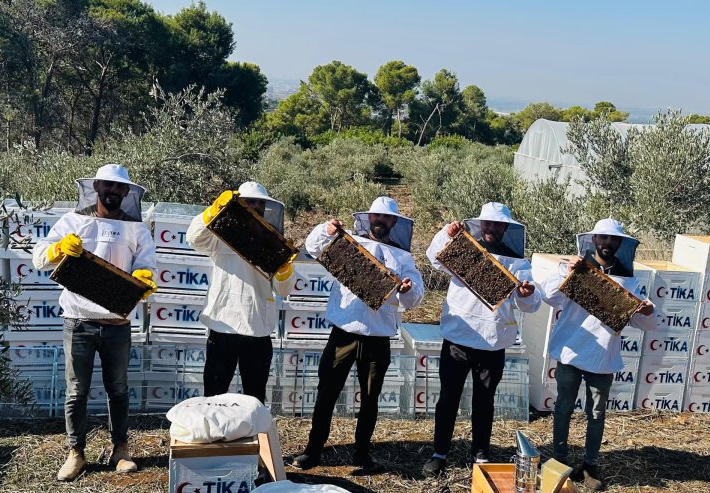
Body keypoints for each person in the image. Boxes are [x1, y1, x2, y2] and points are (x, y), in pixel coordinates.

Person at [33, 164, 158, 482]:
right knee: (77, 391)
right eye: (107, 185)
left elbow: (146, 262)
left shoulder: (137, 229)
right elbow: (39, 257)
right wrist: (59, 248)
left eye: (119, 187)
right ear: (96, 187)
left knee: (118, 389)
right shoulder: (73, 221)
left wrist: (143, 276)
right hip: (78, 321)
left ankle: (121, 450)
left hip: (117, 322)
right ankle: (76, 453)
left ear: (127, 193)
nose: (113, 191)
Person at [290, 196, 424, 472]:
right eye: (377, 217)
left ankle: (362, 454)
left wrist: (408, 290)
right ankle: (312, 451)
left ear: (395, 222)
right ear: (368, 218)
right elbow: (312, 246)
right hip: (344, 332)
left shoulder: (403, 257)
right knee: (327, 393)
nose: (381, 221)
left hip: (378, 337)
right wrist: (326, 229)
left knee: (370, 398)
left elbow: (415, 297)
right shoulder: (350, 239)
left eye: (386, 218)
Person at [535, 218, 659, 491]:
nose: (607, 243)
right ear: (593, 241)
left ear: (620, 244)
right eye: (603, 238)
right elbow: (547, 294)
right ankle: (559, 461)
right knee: (563, 409)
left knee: (596, 413)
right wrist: (569, 272)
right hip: (571, 350)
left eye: (613, 239)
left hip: (603, 357)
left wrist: (647, 310)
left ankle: (590, 465)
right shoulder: (575, 268)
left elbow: (647, 322)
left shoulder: (630, 280)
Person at [422, 203, 542, 476]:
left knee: (484, 400)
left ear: (505, 228)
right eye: (487, 224)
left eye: (497, 225)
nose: (491, 228)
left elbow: (532, 304)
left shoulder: (518, 263)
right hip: (457, 338)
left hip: (492, 343)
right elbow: (434, 256)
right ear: (480, 225)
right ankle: (439, 452)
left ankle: (480, 452)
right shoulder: (464, 251)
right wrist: (447, 234)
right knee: (448, 399)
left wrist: (526, 294)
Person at [186, 182, 295, 403]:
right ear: (239, 204)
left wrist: (284, 269)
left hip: (257, 329)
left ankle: (252, 437)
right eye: (250, 201)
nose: (255, 206)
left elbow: (285, 289)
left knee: (254, 400)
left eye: (260, 203)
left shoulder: (272, 242)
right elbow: (194, 238)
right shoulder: (221, 233)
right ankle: (215, 438)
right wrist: (213, 210)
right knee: (213, 398)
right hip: (222, 325)